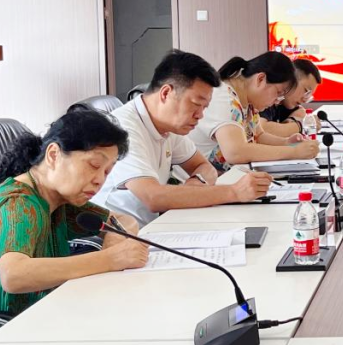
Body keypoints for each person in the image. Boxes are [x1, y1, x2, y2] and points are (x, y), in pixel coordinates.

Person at [0, 109, 150, 345]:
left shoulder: (58, 201)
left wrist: (112, 240)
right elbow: (14, 275)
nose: (99, 180)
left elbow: (123, 220)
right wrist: (110, 259)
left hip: (33, 320)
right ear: (54, 155)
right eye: (94, 165)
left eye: (107, 172)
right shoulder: (18, 204)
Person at [93, 50, 274, 226]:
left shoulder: (169, 125)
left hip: (159, 224)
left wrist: (196, 182)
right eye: (196, 104)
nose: (200, 115)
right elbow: (153, 197)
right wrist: (234, 192)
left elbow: (204, 167)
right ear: (166, 93)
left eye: (204, 107)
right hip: (118, 235)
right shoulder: (124, 127)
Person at [189, 51, 320, 171]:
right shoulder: (224, 99)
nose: (277, 101)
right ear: (260, 79)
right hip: (202, 182)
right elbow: (235, 152)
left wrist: (287, 143)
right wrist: (293, 152)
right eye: (278, 93)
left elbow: (259, 136)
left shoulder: (248, 102)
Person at [261, 59, 322, 137]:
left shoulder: (284, 103)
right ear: (292, 79)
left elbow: (301, 113)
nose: (304, 99)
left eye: (309, 96)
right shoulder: (266, 94)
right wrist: (300, 126)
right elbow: (260, 130)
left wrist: (290, 123)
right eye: (306, 91)